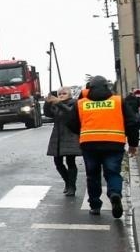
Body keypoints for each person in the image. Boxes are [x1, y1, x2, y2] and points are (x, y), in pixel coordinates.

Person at [65, 75, 135, 218]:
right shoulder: (118, 101)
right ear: (106, 87)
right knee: (113, 172)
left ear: (89, 88)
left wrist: (83, 131)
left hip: (89, 144)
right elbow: (132, 123)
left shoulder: (81, 103)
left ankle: (95, 205)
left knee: (92, 175)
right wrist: (133, 144)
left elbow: (71, 123)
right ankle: (115, 193)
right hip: (114, 144)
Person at [44, 88, 82, 196]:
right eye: (59, 94)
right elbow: (48, 114)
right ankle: (67, 182)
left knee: (70, 162)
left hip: (71, 136)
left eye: (64, 93)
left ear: (69, 95)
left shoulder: (74, 103)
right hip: (57, 137)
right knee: (58, 163)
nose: (61, 95)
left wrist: (59, 103)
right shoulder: (56, 104)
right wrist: (47, 103)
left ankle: (72, 187)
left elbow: (70, 113)